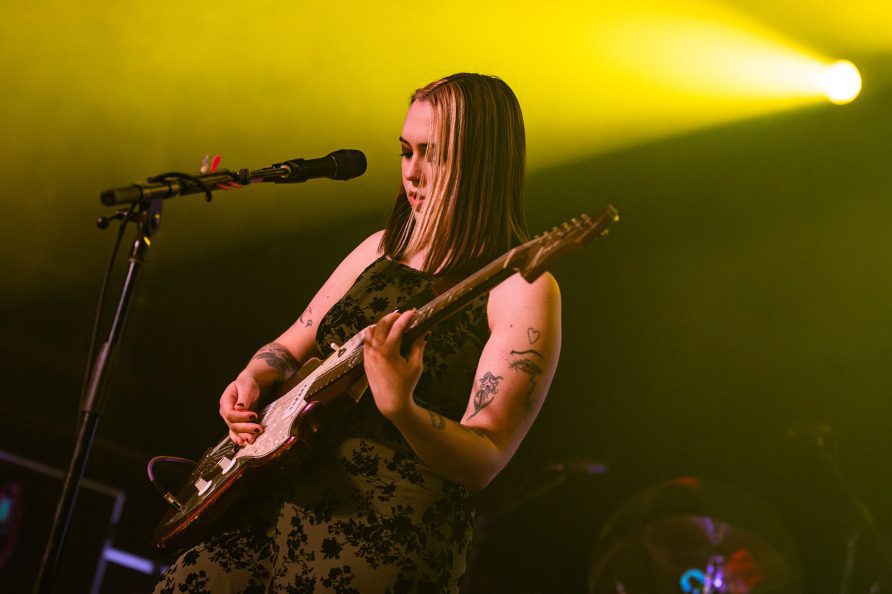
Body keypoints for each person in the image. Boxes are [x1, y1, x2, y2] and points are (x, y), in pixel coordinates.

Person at [154, 73, 561, 593]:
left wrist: (403, 409)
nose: (411, 173)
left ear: (480, 162)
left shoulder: (523, 286)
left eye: (431, 154)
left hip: (380, 538)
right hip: (269, 504)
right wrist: (254, 376)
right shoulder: (379, 249)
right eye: (404, 152)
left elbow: (485, 459)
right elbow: (290, 343)